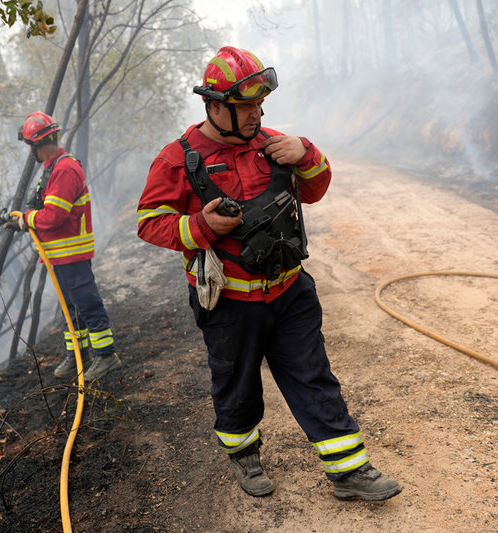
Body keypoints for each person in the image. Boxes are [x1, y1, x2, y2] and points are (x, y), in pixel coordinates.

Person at [136, 46, 402, 501]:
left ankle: (348, 470)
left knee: (312, 374)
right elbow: (148, 222)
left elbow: (316, 190)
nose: (258, 113)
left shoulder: (275, 144)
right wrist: (202, 226)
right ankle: (244, 456)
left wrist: (307, 154)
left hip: (289, 290)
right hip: (228, 305)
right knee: (237, 385)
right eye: (247, 107)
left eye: (261, 104)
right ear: (215, 106)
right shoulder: (178, 159)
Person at [15, 111, 122, 381]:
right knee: (69, 308)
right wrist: (21, 219)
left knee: (86, 304)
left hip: (71, 253)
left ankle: (106, 357)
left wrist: (27, 219)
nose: (31, 152)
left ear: (39, 143)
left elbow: (53, 216)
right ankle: (77, 355)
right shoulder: (51, 169)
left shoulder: (64, 169)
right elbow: (45, 208)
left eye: (31, 146)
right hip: (59, 255)